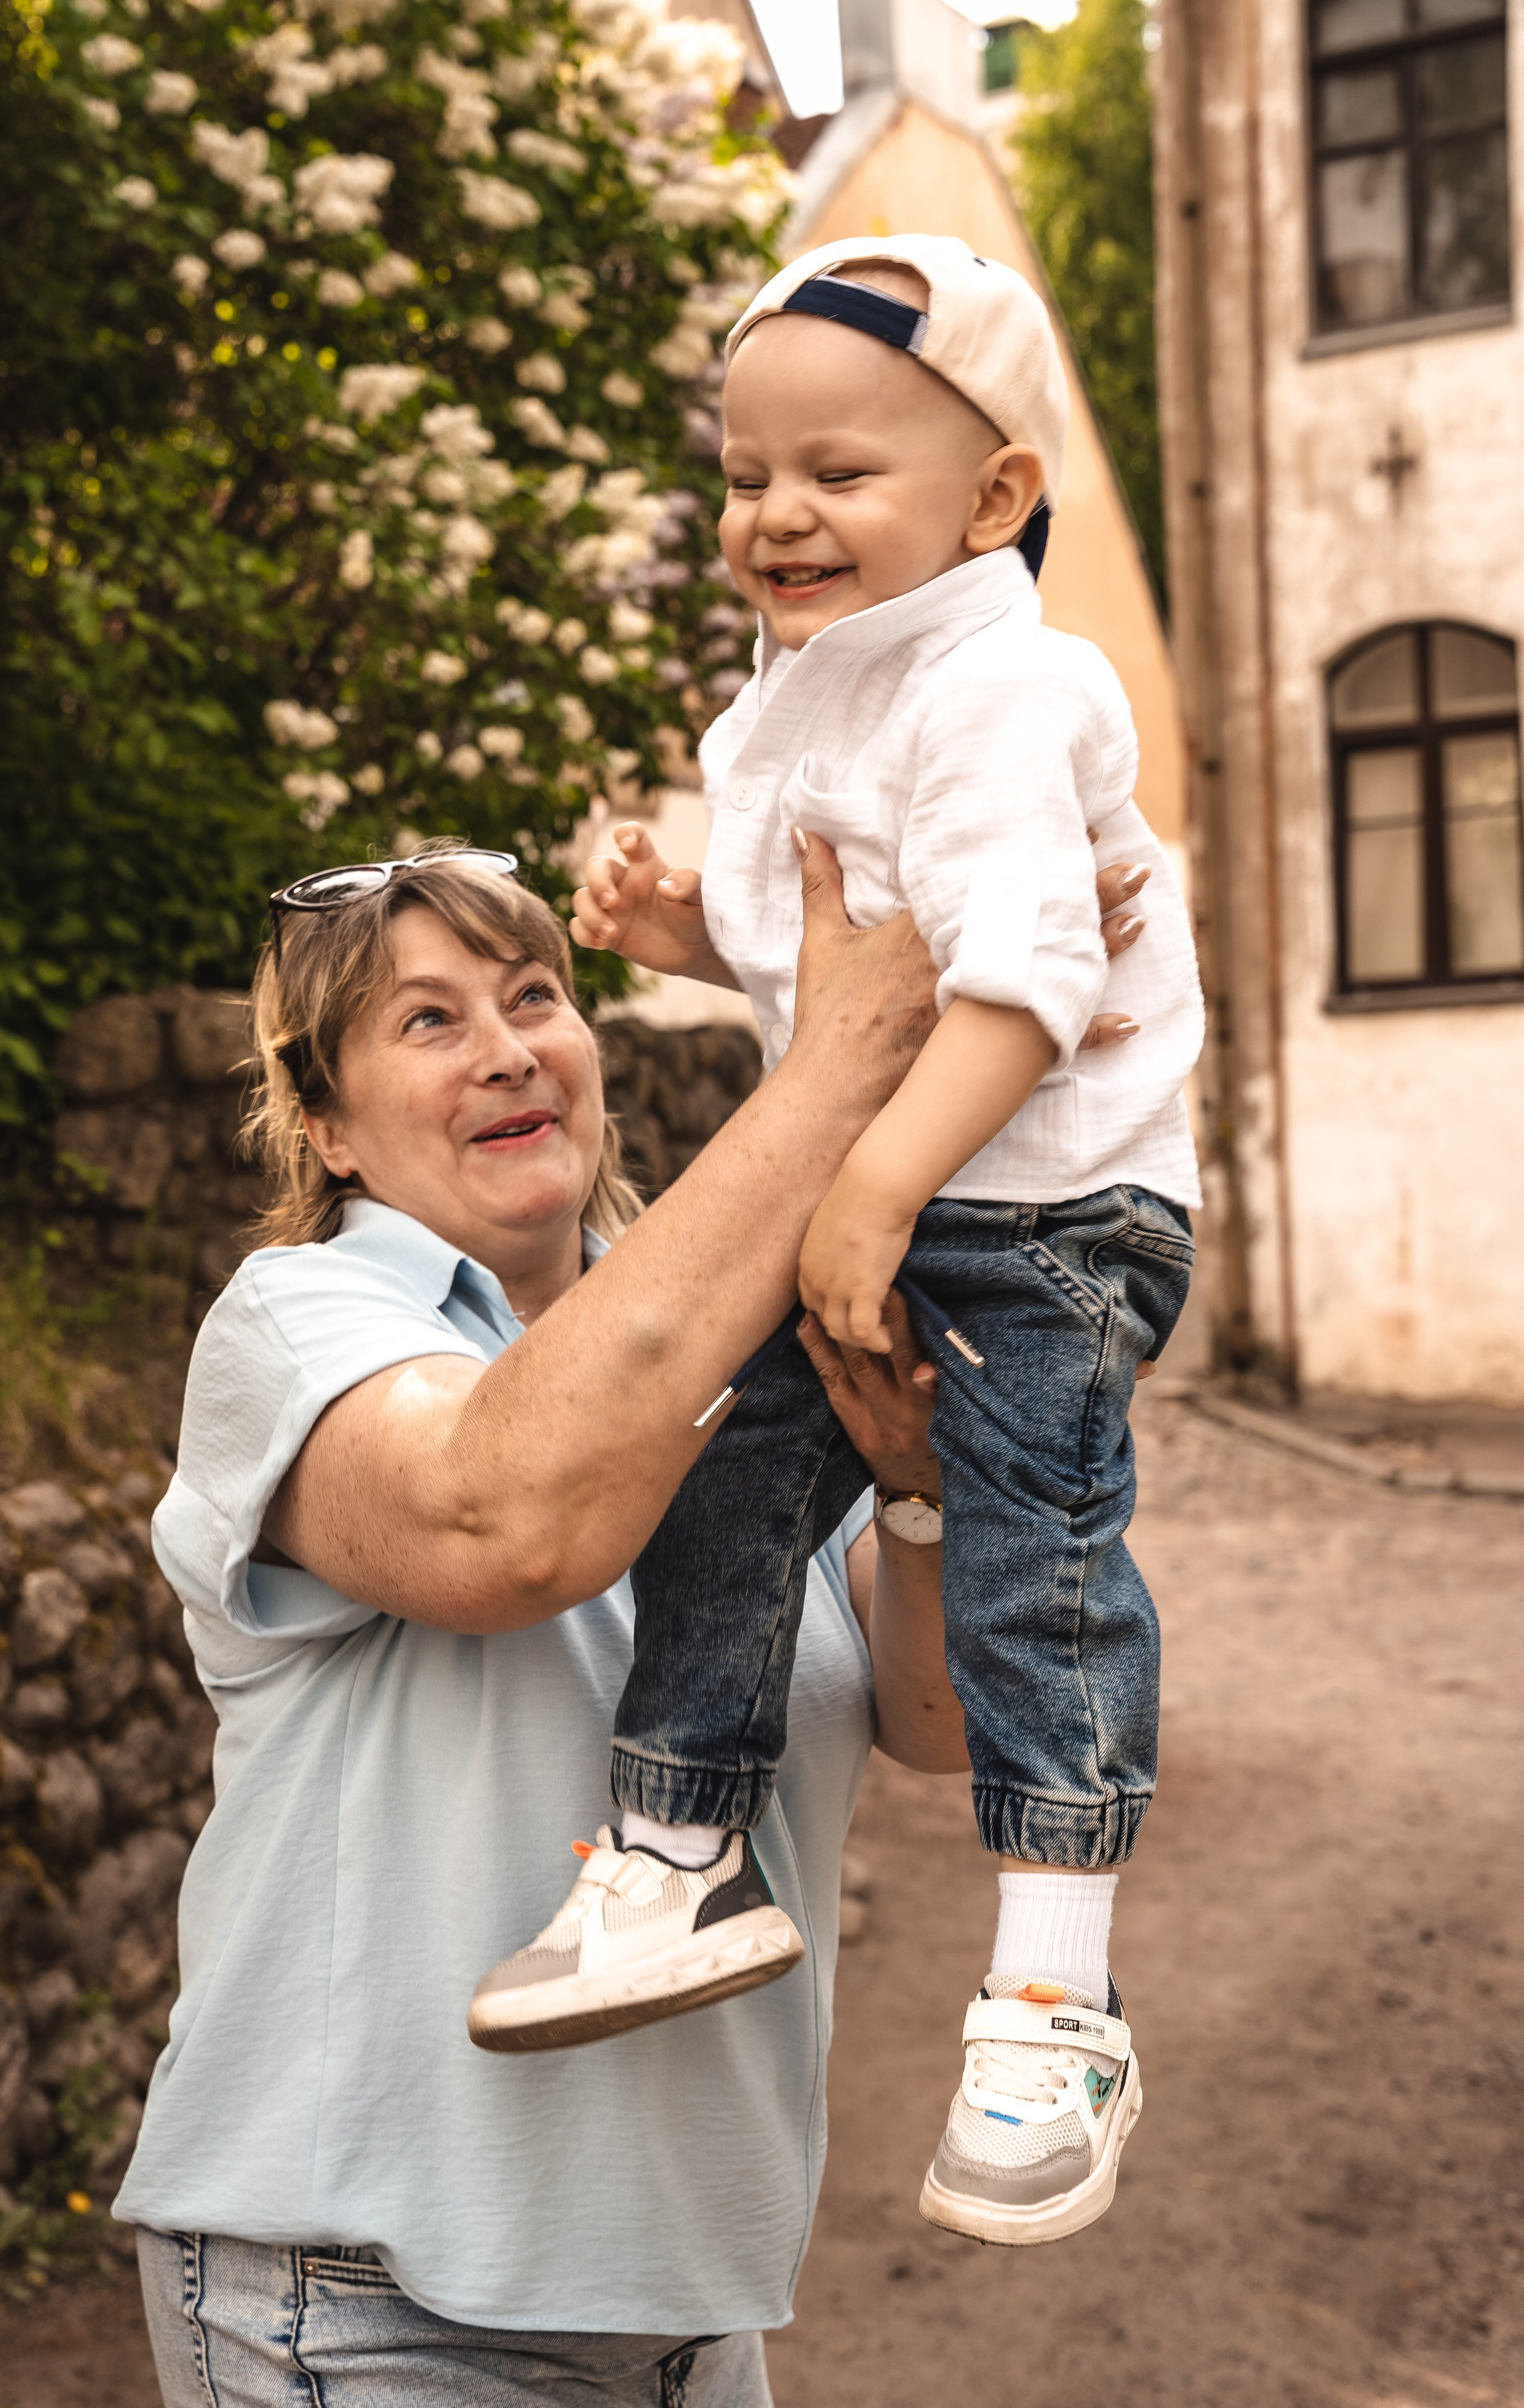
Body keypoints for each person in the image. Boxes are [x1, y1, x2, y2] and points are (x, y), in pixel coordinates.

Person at [115, 840, 1150, 2403]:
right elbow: (510, 1516)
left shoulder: (756, 1350)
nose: (509, 1047)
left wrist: (921, 1493)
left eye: (534, 995)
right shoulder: (297, 1327)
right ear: (321, 1123)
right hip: (366, 2300)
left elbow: (932, 1726)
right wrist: (848, 1046)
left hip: (687, 2318)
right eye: (428, 1022)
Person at [505, 235, 1205, 2252]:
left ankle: (1059, 1995)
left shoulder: (998, 678)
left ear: (993, 500)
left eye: (838, 472)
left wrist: (877, 1191)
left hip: (1042, 1212)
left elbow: (1020, 977)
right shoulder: (812, 690)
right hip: (895, 1197)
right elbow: (823, 942)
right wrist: (663, 928)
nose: (777, 516)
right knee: (726, 1488)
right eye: (746, 476)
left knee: (1037, 1561)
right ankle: (676, 1846)